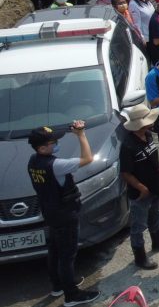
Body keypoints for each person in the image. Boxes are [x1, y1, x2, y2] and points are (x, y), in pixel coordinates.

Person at [26, 124, 100, 306]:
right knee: (67, 256)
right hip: (65, 214)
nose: (56, 143)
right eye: (53, 142)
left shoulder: (33, 161)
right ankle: (72, 295)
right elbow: (88, 158)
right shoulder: (56, 165)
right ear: (42, 148)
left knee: (55, 250)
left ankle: (58, 285)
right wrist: (81, 135)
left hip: (50, 213)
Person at [119, 104, 159, 269]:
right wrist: (141, 188)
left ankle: (158, 241)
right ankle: (140, 257)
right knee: (138, 225)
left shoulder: (148, 135)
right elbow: (125, 173)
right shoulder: (128, 146)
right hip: (141, 193)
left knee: (156, 214)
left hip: (155, 186)